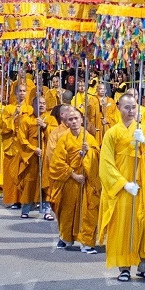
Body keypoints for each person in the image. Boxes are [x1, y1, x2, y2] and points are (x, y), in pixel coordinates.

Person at [99, 93, 145, 282]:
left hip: (144, 187)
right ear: (119, 108)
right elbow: (106, 163)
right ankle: (124, 267)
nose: (130, 111)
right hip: (124, 189)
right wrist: (123, 184)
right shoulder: (112, 133)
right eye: (126, 107)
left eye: (133, 107)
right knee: (123, 227)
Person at [48, 106, 100, 252]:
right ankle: (66, 238)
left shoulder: (89, 138)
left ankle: (86, 243)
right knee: (67, 211)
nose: (74, 121)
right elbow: (57, 162)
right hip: (70, 181)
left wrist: (88, 152)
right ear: (67, 121)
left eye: (76, 118)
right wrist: (74, 175)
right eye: (70, 119)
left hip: (86, 180)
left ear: (81, 120)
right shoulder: (63, 138)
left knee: (88, 212)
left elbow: (97, 157)